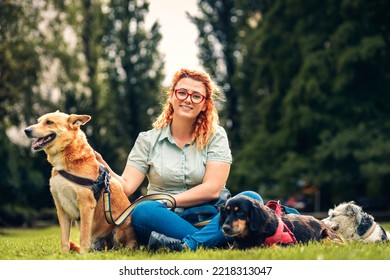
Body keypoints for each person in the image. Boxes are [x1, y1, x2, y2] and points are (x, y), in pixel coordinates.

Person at [96, 68, 263, 251]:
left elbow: (213, 189)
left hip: (209, 215)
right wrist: (102, 166)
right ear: (172, 96)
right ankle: (215, 241)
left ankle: (188, 245)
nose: (187, 99)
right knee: (143, 210)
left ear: (205, 104)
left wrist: (169, 200)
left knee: (250, 198)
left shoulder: (216, 136)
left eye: (196, 96)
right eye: (182, 92)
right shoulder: (147, 140)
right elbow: (126, 187)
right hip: (163, 219)